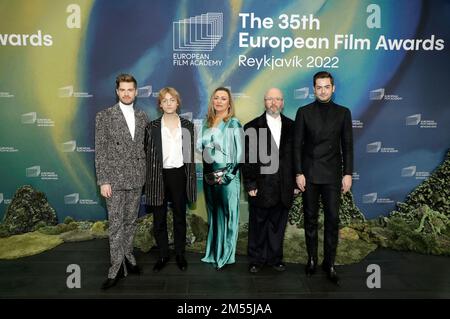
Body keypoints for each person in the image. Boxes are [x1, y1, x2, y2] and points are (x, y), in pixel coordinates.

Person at [294, 71, 353, 284]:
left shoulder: (343, 113)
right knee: (310, 220)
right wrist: (299, 173)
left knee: (332, 220)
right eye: (319, 87)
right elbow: (297, 146)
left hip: (333, 176)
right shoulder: (303, 112)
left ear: (333, 88)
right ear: (314, 89)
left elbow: (347, 146)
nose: (323, 90)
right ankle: (311, 259)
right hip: (309, 175)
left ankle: (329, 263)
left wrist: (348, 174)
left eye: (326, 86)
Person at [95, 73, 149, 289]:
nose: (127, 93)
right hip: (114, 180)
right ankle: (115, 267)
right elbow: (100, 151)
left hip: (136, 177)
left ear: (136, 92)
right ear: (117, 92)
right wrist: (103, 180)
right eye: (123, 90)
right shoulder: (104, 116)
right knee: (116, 225)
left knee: (130, 222)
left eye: (130, 90)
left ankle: (128, 257)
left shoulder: (143, 116)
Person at [242, 88, 297, 273]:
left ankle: (275, 258)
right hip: (261, 186)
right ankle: (256, 260)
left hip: (284, 186)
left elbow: (297, 157)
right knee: (258, 224)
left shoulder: (293, 126)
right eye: (270, 99)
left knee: (278, 225)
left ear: (283, 102)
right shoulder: (251, 127)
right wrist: (250, 184)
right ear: (264, 102)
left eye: (278, 99)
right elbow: (248, 158)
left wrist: (297, 182)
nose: (274, 102)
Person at [144, 87, 196, 273]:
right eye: (164, 100)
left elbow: (189, 157)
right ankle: (164, 254)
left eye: (172, 100)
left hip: (179, 176)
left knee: (180, 217)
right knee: (159, 219)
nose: (168, 103)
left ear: (177, 103)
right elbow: (146, 156)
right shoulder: (151, 128)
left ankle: (180, 254)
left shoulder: (188, 126)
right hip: (158, 176)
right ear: (160, 104)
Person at [199, 87, 243, 270]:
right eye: (216, 98)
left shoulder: (234, 123)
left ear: (229, 102)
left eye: (223, 98)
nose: (219, 101)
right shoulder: (206, 123)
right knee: (214, 215)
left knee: (229, 216)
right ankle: (213, 253)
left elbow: (241, 154)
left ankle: (226, 256)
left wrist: (229, 175)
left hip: (227, 177)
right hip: (209, 176)